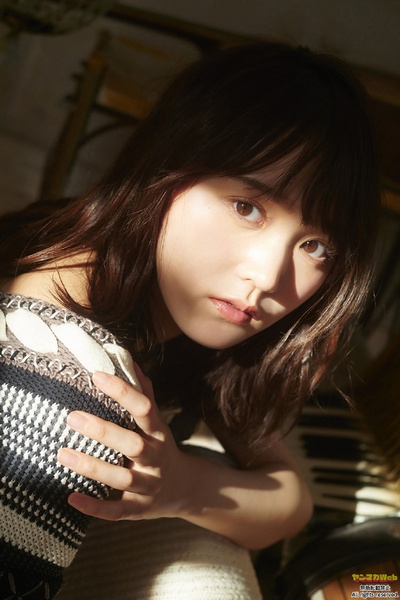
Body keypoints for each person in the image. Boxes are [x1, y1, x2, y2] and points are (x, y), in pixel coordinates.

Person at [0, 41, 380, 599]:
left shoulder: (182, 306)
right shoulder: (63, 382)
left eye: (315, 246)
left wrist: (180, 484)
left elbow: (291, 499)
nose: (267, 278)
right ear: (166, 167)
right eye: (247, 207)